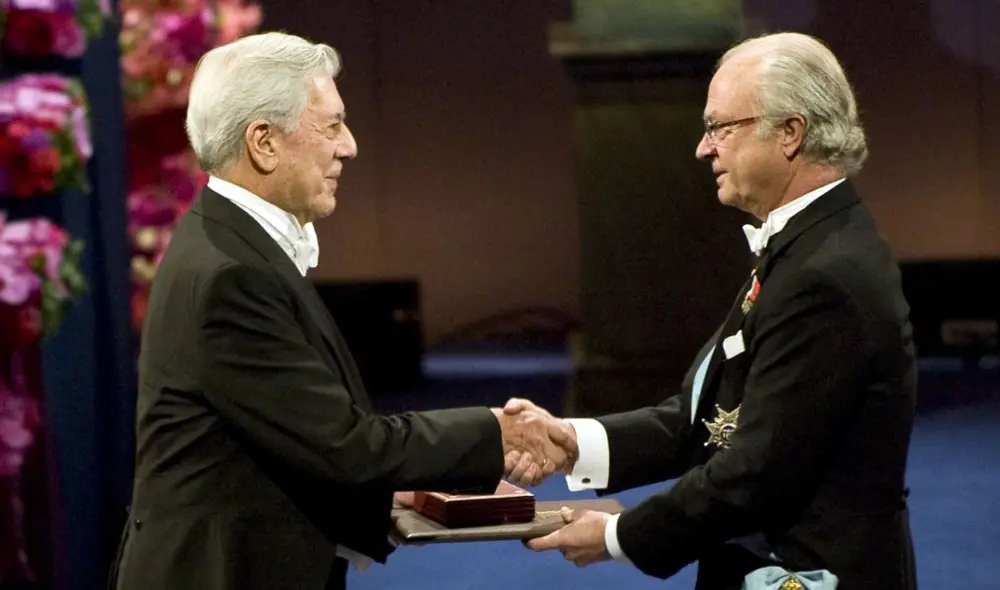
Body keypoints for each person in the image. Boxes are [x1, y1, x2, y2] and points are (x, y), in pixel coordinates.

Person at [109, 32, 574, 590]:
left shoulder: (229, 243)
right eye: (331, 125)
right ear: (263, 142)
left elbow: (295, 442)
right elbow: (347, 448)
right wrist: (497, 432)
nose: (349, 145)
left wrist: (411, 485)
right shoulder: (232, 275)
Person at [504, 32, 918, 590]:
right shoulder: (802, 246)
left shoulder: (825, 273)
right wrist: (573, 440)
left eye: (720, 127)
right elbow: (704, 420)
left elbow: (758, 471)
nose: (703, 148)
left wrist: (618, 536)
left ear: (790, 133)